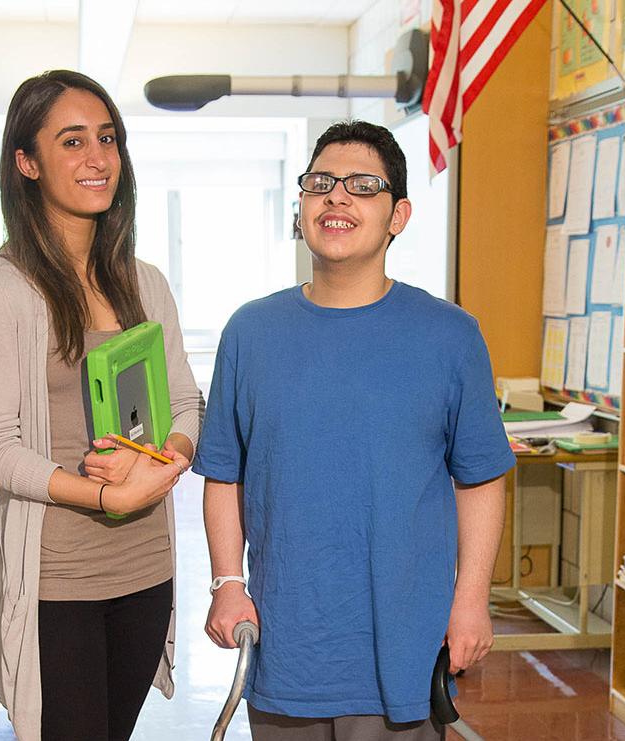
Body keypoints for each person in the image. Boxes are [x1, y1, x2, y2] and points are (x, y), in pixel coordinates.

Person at [194, 120, 514, 740]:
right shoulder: (251, 333)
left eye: (363, 186)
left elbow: (480, 479)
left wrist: (471, 598)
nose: (336, 197)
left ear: (398, 215)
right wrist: (227, 583)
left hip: (405, 641)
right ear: (301, 206)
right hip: (288, 643)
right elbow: (224, 475)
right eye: (321, 183)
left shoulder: (449, 335)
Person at [0, 70, 203, 741]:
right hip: (56, 581)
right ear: (27, 163)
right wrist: (102, 498)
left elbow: (186, 401)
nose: (98, 157)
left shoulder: (143, 282)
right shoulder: (1, 290)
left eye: (108, 138)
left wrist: (167, 459)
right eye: (72, 141)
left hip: (146, 572)